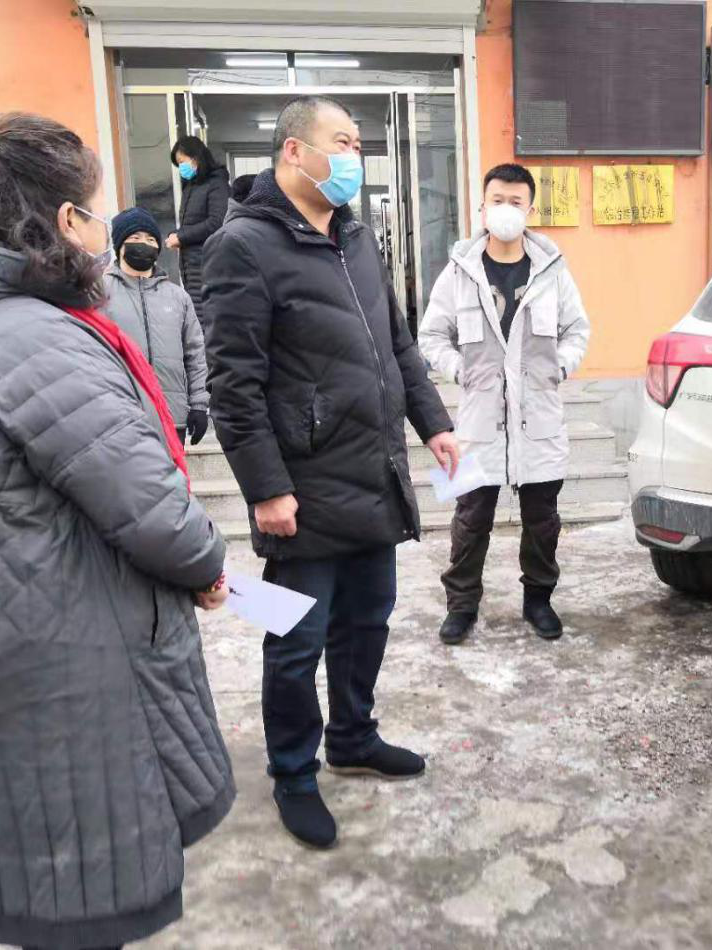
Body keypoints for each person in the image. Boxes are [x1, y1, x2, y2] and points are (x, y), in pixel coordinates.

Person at [0, 113, 235, 950]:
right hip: (55, 666)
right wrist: (206, 561)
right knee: (79, 903)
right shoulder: (33, 339)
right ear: (64, 221)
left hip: (16, 644)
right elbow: (151, 510)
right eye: (92, 210)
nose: (102, 229)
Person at [202, 95, 458, 850]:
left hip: (371, 472)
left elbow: (396, 344)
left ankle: (352, 736)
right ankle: (293, 771)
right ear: (294, 151)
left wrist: (434, 423)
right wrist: (266, 489)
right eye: (341, 142)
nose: (354, 156)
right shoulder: (242, 246)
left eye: (357, 144)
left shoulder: (355, 234)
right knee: (293, 640)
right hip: (303, 489)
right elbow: (233, 385)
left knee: (367, 622)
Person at [419, 163, 590, 645]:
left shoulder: (552, 270)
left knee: (543, 522)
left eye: (516, 202)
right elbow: (432, 335)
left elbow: (577, 330)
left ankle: (538, 601)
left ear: (530, 210)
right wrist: (460, 371)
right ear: (483, 206)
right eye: (498, 200)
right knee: (470, 519)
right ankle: (461, 605)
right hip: (478, 423)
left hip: (539, 421)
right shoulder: (460, 270)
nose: (506, 209)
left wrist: (559, 368)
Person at [102, 206, 209, 446]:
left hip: (172, 419)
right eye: (135, 238)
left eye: (150, 239)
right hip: (119, 420)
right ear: (119, 245)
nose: (144, 244)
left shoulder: (178, 297)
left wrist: (199, 405)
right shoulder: (99, 292)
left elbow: (195, 354)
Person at [167, 135, 229, 325]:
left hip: (208, 264)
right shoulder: (192, 186)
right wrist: (177, 235)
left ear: (196, 158)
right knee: (196, 320)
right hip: (191, 266)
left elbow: (216, 222)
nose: (181, 168)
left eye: (182, 162)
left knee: (206, 322)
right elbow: (191, 223)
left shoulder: (216, 184)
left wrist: (182, 237)